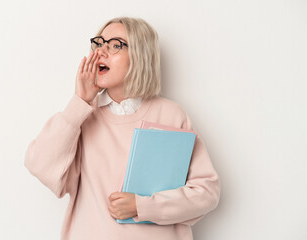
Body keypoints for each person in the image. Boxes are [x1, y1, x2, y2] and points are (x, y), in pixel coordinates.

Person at [24, 17, 220, 240]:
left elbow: (206, 193)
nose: (101, 52)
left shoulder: (171, 115)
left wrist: (142, 206)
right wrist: (79, 102)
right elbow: (39, 165)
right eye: (99, 43)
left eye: (116, 45)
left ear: (140, 56)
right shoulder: (81, 116)